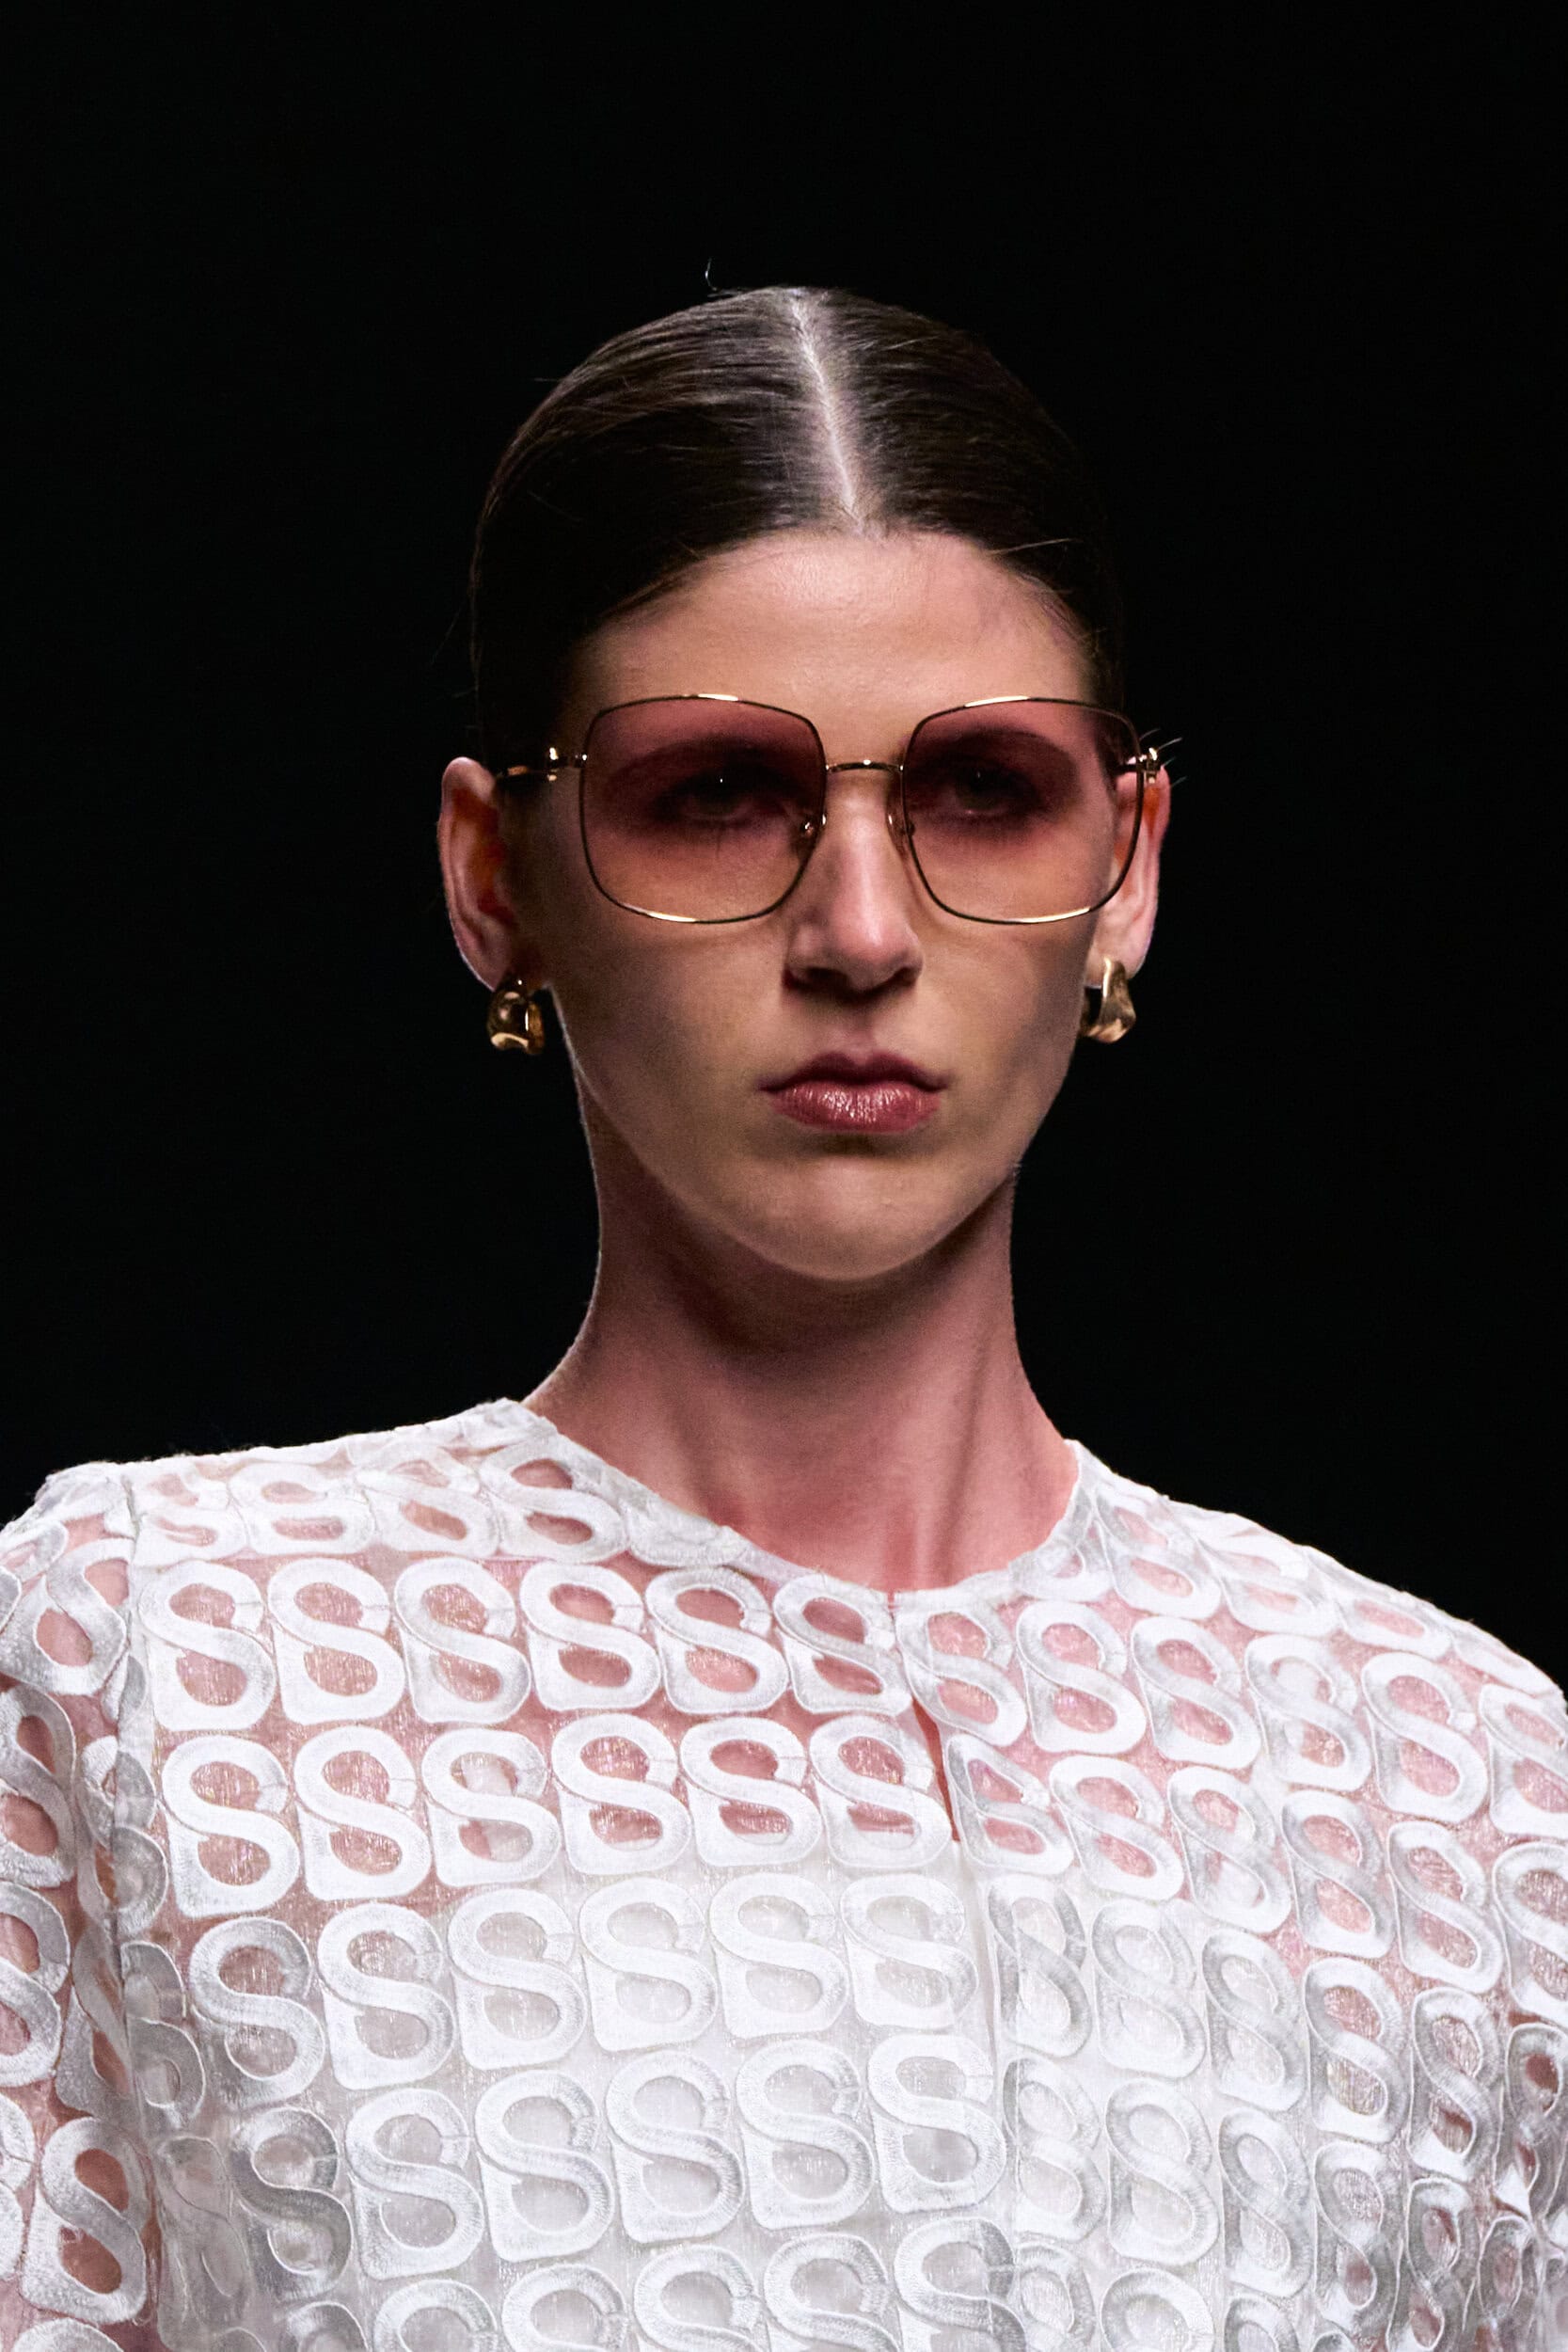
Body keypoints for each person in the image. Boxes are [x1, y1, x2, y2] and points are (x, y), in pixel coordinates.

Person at [2, 287, 1563, 2351]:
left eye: (985, 788)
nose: (860, 930)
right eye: (719, 791)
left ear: (1127, 865)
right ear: (495, 873)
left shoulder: (1461, 1783)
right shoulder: (166, 1659)